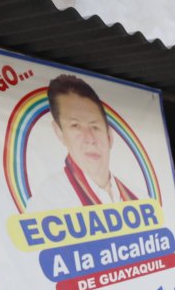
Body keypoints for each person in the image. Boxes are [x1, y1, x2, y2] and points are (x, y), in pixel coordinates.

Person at [24, 74, 140, 212]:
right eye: (75, 126)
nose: (90, 139)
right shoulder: (47, 201)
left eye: (95, 127)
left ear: (109, 136)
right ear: (59, 132)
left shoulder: (139, 196)